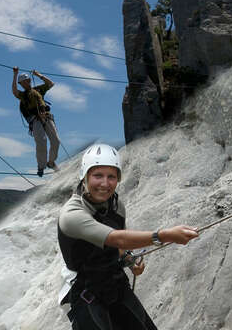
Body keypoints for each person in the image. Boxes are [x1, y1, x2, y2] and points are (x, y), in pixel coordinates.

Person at [58, 144, 199, 329]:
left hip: (114, 283)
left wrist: (128, 260)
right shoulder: (71, 214)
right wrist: (164, 236)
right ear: (84, 177)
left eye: (112, 177)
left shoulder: (116, 207)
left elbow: (118, 246)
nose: (105, 183)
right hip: (85, 291)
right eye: (97, 175)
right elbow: (116, 238)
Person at [12, 67, 60, 177]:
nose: (27, 82)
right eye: (24, 81)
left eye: (28, 80)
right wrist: (15, 74)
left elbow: (51, 84)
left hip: (46, 118)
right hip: (35, 120)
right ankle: (41, 166)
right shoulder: (23, 95)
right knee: (41, 142)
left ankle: (51, 162)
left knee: (56, 141)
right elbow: (14, 92)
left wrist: (39, 75)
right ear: (21, 84)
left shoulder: (38, 90)